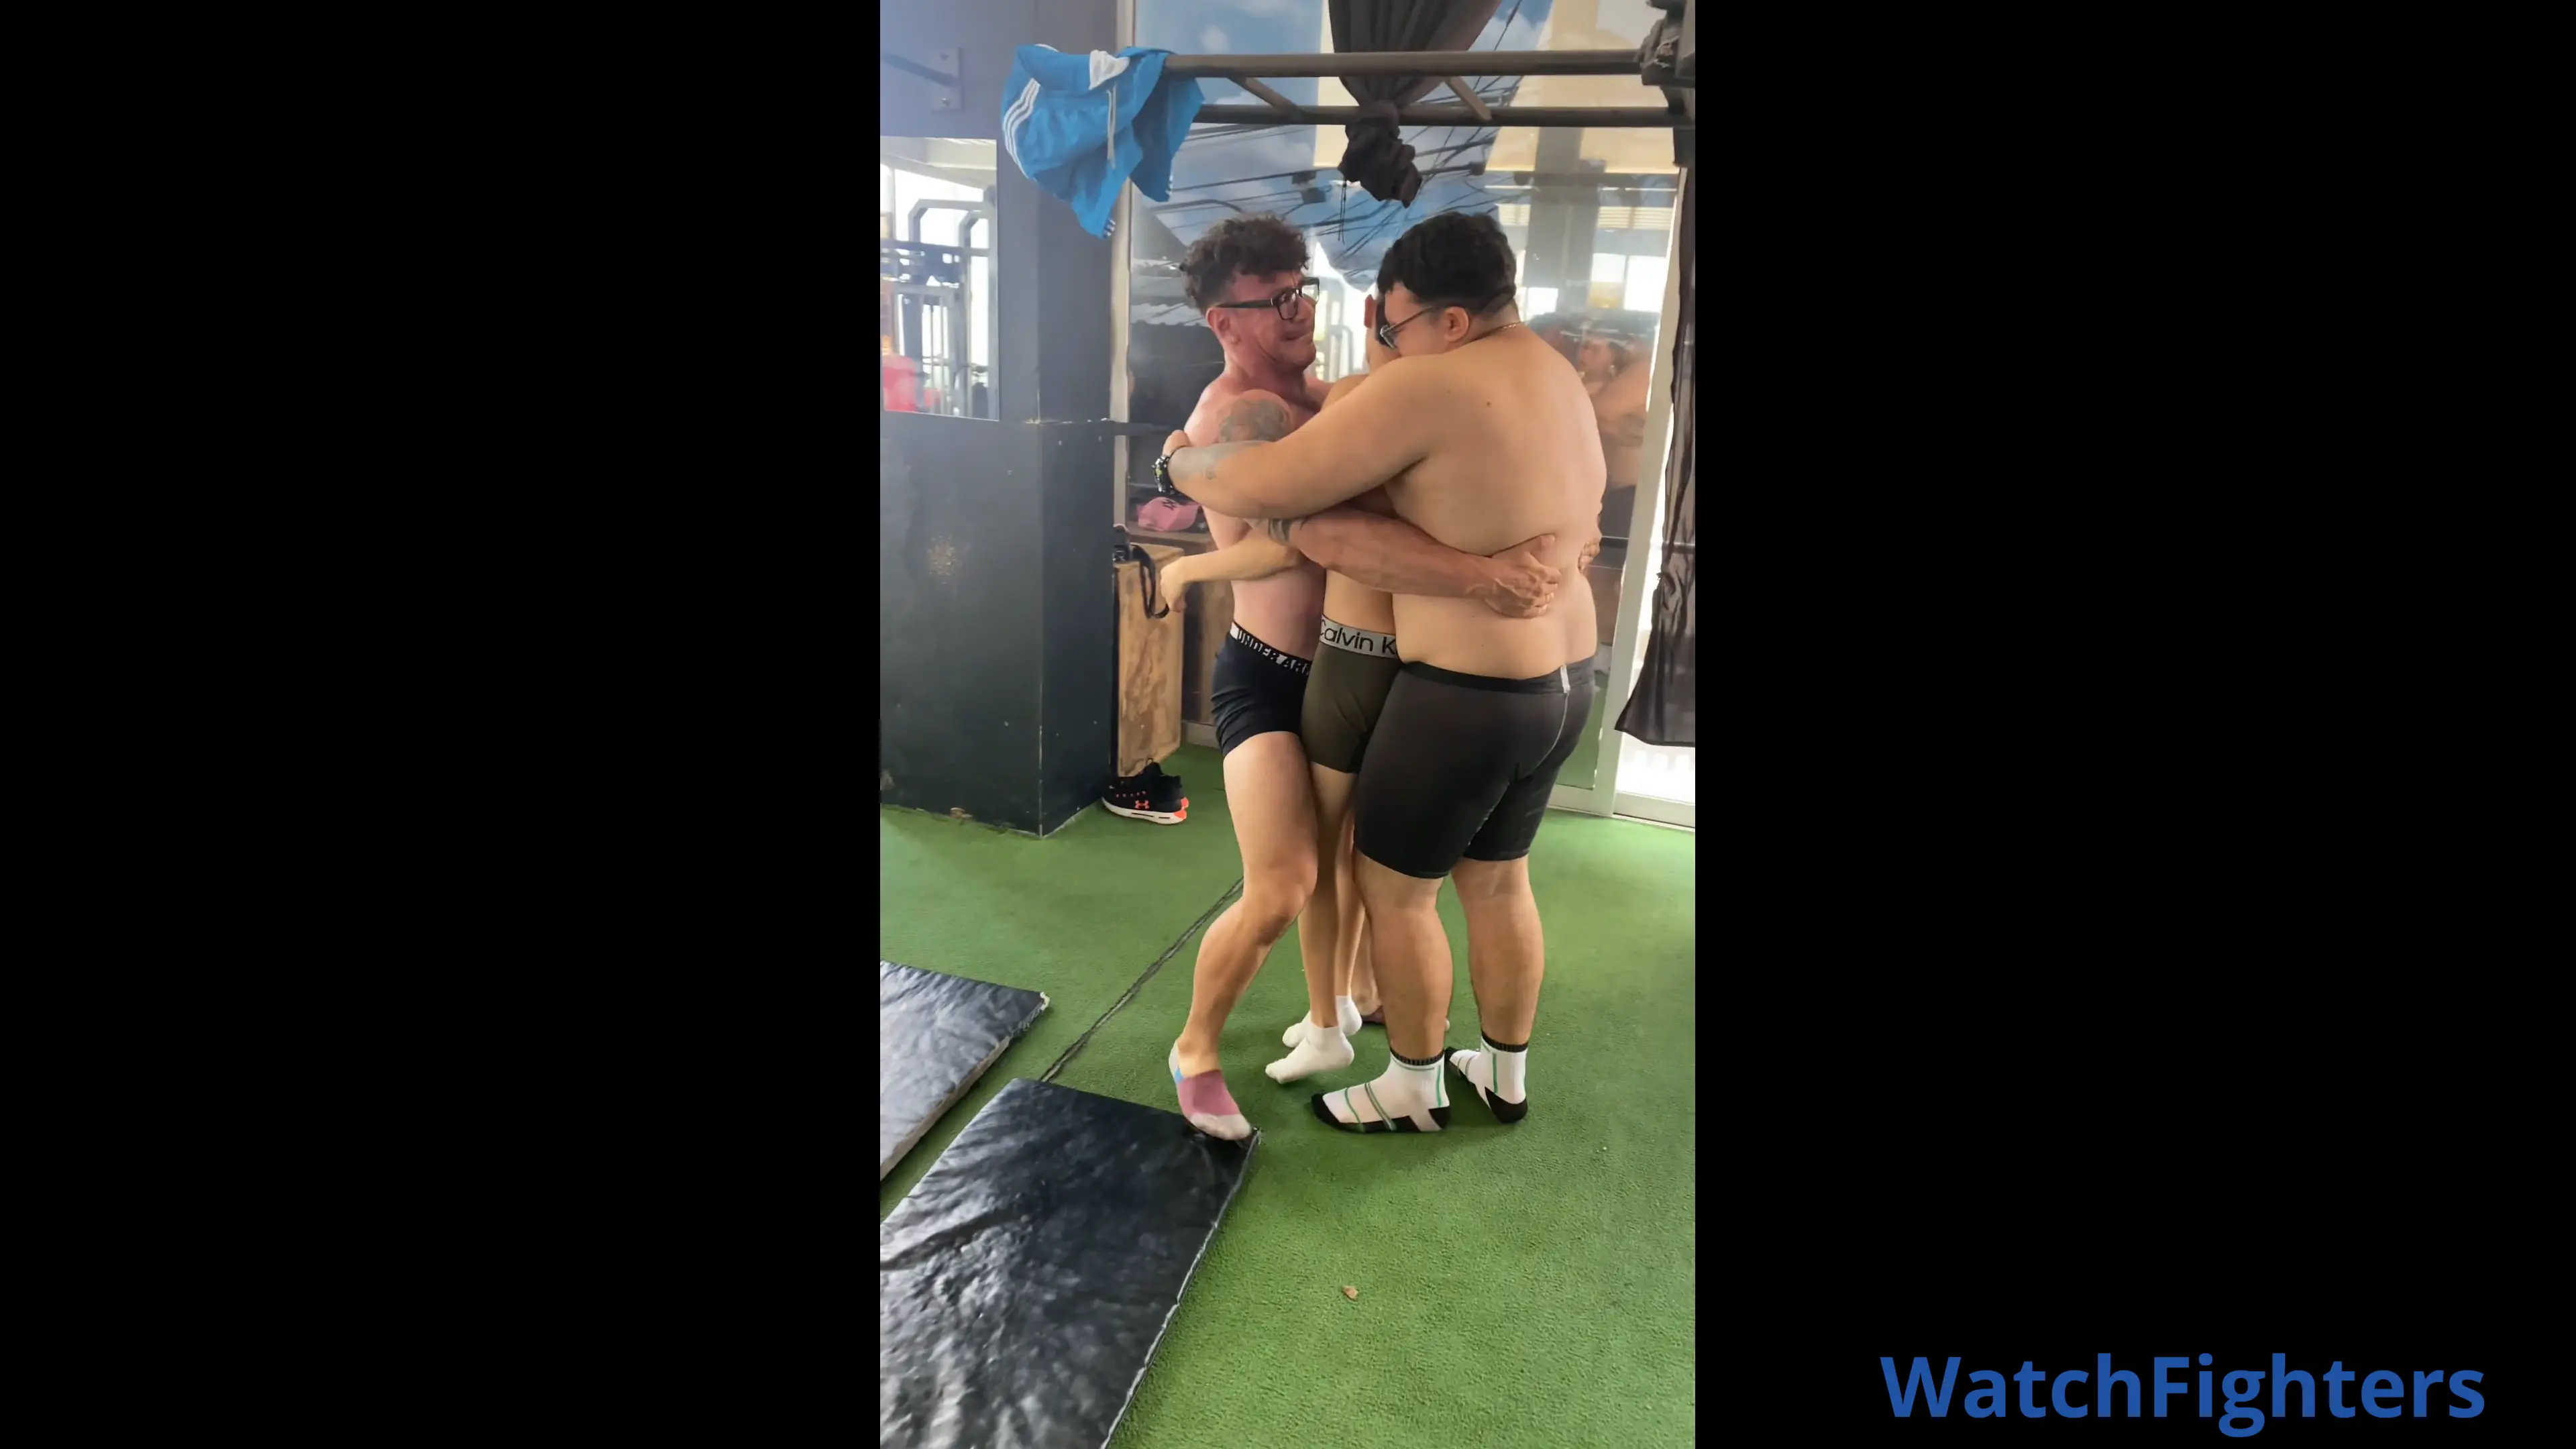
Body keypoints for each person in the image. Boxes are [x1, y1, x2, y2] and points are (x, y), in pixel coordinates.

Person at [1158, 211, 1605, 1134]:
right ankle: (1204, 1047)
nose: (1299, 310)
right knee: (1298, 883)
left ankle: (1387, 1058)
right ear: (1224, 321)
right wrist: (1180, 474)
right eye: (1276, 299)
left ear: (1449, 320)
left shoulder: (1377, 393)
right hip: (1302, 674)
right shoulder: (1542, 373)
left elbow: (1337, 509)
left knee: (1393, 884)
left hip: (1415, 678)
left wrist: (1177, 472)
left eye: (1302, 291)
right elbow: (1291, 527)